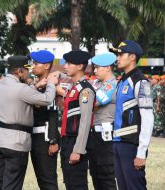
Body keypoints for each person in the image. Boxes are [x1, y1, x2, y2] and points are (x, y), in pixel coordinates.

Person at [0, 55, 58, 190]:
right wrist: (50, 83)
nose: (28, 73)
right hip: (16, 142)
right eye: (26, 70)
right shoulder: (21, 88)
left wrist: (36, 85)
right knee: (12, 184)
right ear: (19, 71)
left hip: (0, 140)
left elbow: (20, 95)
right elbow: (46, 99)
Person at [109, 40, 154, 190]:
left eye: (121, 54)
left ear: (132, 57)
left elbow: (148, 118)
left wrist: (141, 152)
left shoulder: (140, 82)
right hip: (118, 143)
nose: (118, 58)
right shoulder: (122, 81)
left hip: (131, 146)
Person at [60, 50, 95, 190]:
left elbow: (85, 122)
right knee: (70, 183)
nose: (65, 66)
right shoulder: (74, 87)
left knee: (77, 184)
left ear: (80, 66)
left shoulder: (85, 90)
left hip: (76, 143)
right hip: (67, 141)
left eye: (69, 63)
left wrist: (78, 150)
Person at [29, 50, 60, 190]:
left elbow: (53, 112)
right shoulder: (39, 85)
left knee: (48, 181)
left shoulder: (51, 86)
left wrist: (53, 140)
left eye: (36, 63)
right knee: (41, 179)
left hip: (46, 137)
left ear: (47, 66)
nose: (33, 66)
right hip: (35, 137)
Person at [88, 53, 118, 190]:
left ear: (108, 68)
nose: (94, 71)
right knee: (96, 174)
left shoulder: (111, 85)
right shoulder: (97, 83)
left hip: (105, 135)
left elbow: (94, 101)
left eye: (97, 68)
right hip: (94, 134)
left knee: (106, 176)